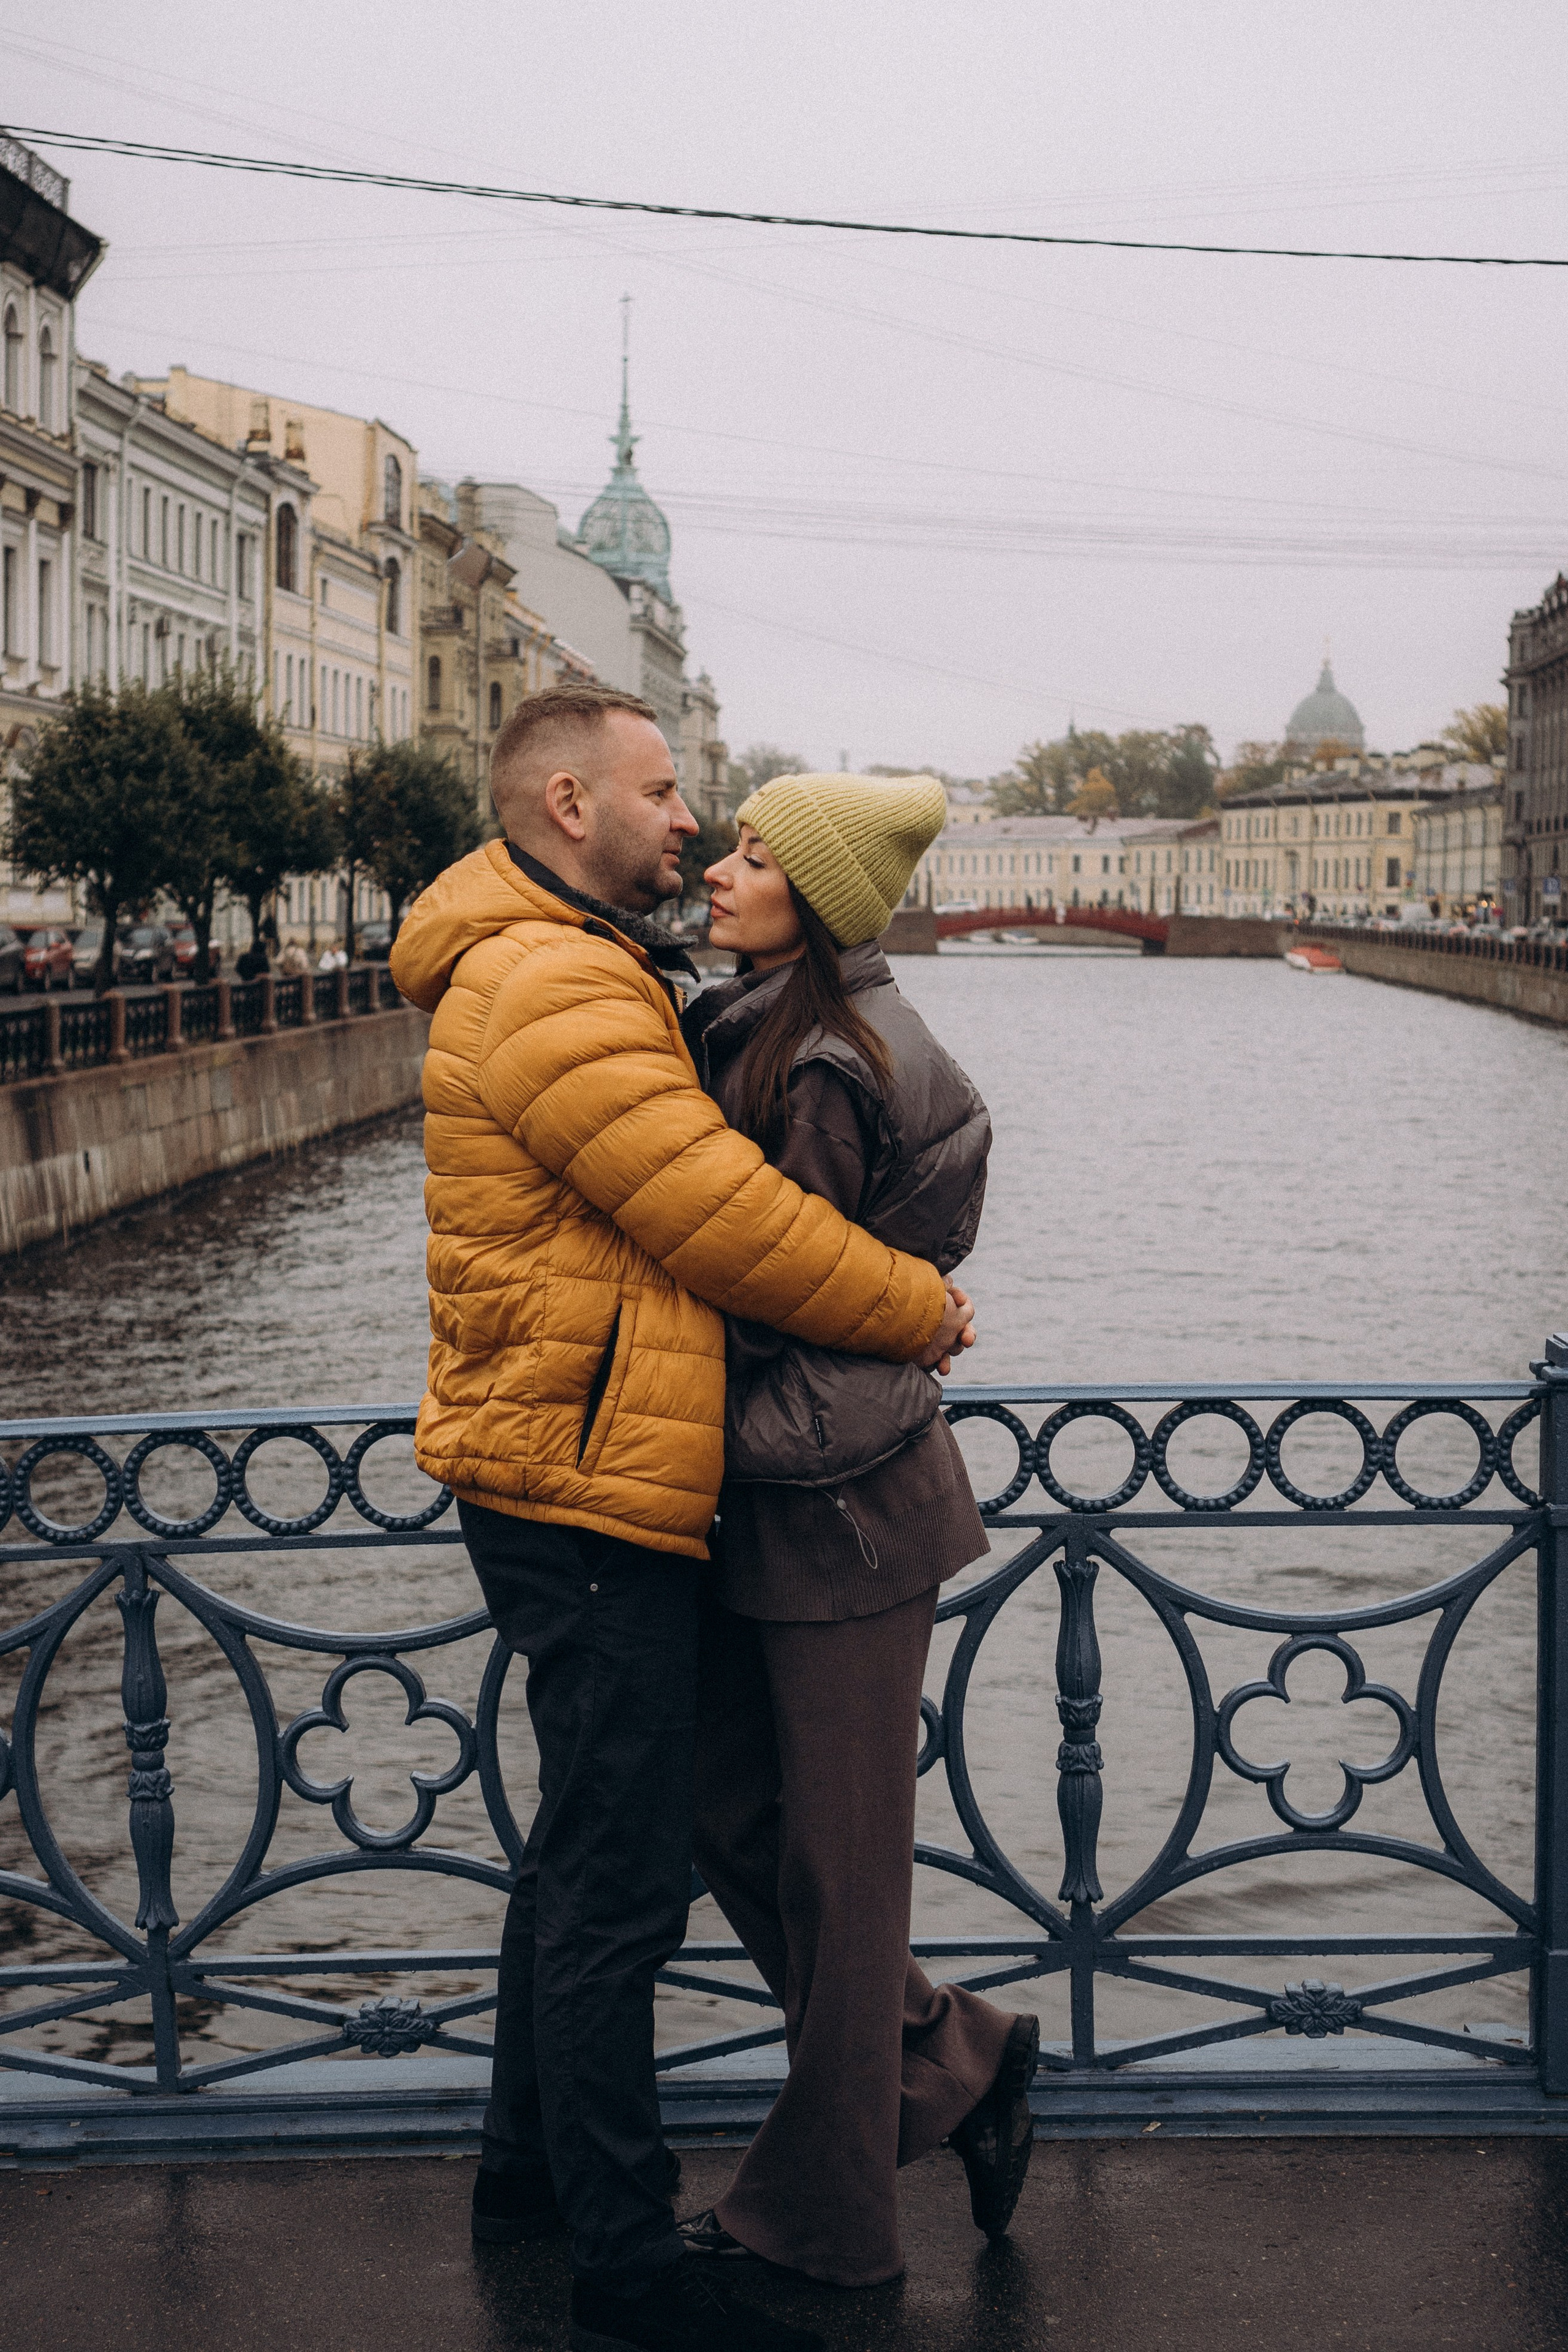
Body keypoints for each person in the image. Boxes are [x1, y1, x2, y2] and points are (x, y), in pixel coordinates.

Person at [389, 687, 974, 2352]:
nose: (691, 824)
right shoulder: (556, 976)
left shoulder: (565, 957)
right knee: (624, 1882)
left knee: (588, 1847)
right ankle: (627, 2260)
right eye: (664, 793)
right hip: (586, 1479)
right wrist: (916, 1307)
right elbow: (720, 1220)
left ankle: (527, 2176)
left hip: (576, 1458)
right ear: (570, 805)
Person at [676, 773, 1038, 2289]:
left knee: (835, 1866)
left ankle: (827, 2224)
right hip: (801, 1487)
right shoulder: (776, 1022)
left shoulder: (821, 1059)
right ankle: (957, 2057)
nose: (716, 866)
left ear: (813, 899)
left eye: (754, 855)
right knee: (734, 1821)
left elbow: (783, 1281)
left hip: (841, 1508)